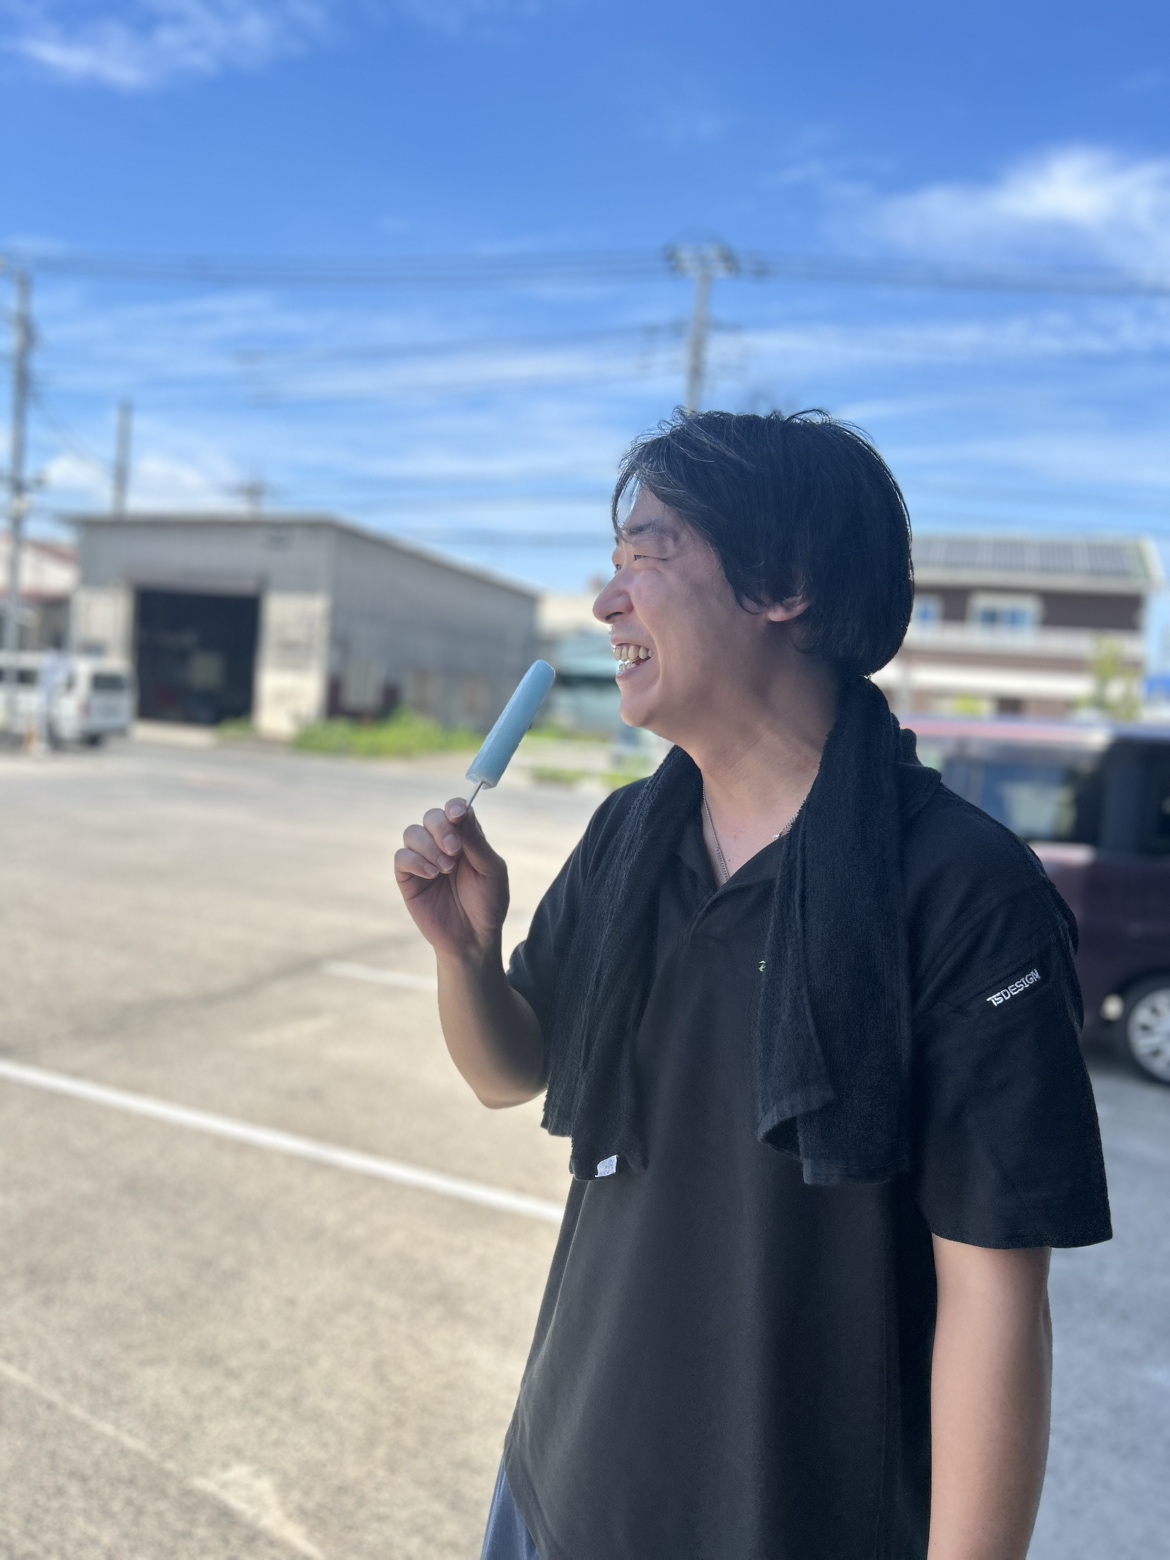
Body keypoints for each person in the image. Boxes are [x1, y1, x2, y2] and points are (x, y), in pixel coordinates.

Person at [395, 410, 1112, 1560]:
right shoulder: (632, 836)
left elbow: (994, 1297)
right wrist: (465, 956)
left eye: (648, 554)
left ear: (784, 585)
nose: (607, 602)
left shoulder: (965, 892)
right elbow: (507, 1071)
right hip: (560, 1485)